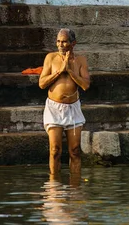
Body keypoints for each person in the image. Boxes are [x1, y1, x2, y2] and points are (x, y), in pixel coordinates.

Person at [39, 28, 90, 176]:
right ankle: (54, 189)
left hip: (73, 109)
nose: (60, 45)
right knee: (55, 150)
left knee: (74, 151)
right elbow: (42, 84)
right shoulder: (50, 58)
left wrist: (70, 71)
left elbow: (86, 85)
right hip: (54, 109)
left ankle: (75, 188)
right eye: (58, 41)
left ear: (73, 43)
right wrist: (60, 71)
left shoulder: (80, 60)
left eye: (64, 41)